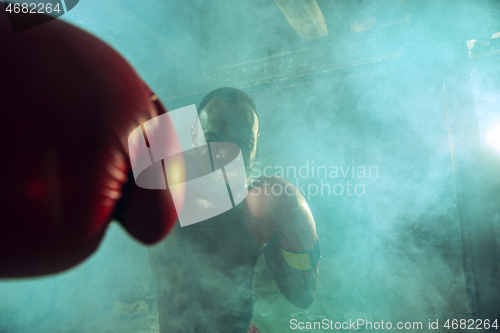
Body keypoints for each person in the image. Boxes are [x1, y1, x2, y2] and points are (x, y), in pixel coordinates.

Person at [148, 87, 320, 333]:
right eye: (213, 138)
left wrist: (288, 224)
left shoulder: (260, 206)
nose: (226, 154)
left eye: (243, 141)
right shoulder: (164, 191)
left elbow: (303, 295)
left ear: (256, 149)